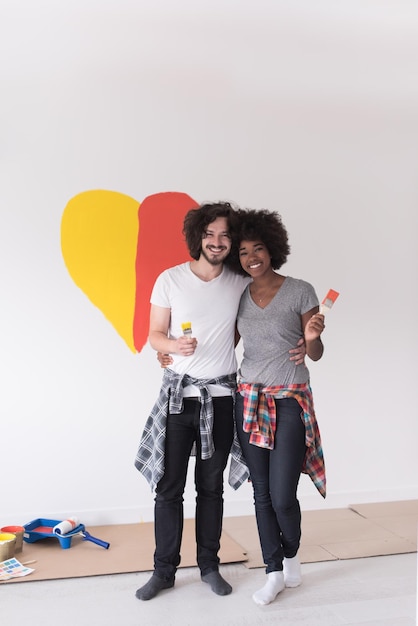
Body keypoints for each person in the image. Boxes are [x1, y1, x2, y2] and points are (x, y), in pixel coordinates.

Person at [134, 201, 305, 601]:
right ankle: (164, 571)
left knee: (211, 489)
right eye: (210, 234)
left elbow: (268, 314)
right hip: (179, 397)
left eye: (225, 235)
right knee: (168, 488)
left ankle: (209, 566)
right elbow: (154, 334)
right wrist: (171, 346)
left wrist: (303, 341)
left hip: (225, 398)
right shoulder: (170, 279)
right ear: (197, 236)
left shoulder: (239, 280)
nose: (217, 241)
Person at [228, 207, 326, 606]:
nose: (252, 257)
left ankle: (291, 556)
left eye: (259, 248)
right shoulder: (237, 296)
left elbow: (315, 353)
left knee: (284, 495)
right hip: (248, 398)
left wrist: (313, 336)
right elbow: (226, 343)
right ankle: (273, 572)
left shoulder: (300, 289)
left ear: (273, 249)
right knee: (262, 493)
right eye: (244, 251)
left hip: (288, 400)